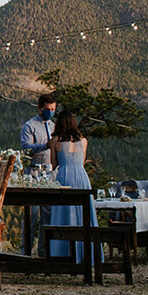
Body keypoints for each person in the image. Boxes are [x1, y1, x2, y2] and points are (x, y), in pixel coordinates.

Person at [47, 111, 92, 262]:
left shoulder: (55, 141)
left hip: (64, 177)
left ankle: (62, 253)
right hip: (81, 176)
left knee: (63, 214)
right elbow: (82, 161)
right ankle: (86, 254)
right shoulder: (84, 140)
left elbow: (53, 165)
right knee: (84, 214)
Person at [21, 93, 59, 172]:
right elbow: (26, 148)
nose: (50, 112)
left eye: (52, 110)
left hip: (51, 169)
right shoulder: (30, 126)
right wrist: (46, 146)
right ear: (39, 108)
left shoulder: (54, 126)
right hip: (34, 169)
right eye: (47, 109)